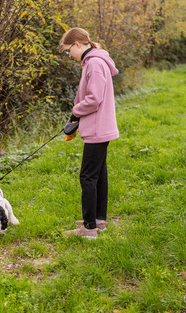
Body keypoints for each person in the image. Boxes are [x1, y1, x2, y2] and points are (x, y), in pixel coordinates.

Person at [60, 27, 119, 239]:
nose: (69, 55)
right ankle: (99, 220)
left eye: (68, 50)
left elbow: (94, 99)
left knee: (87, 177)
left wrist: (75, 111)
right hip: (100, 127)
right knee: (99, 175)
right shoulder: (94, 61)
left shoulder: (93, 63)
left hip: (96, 127)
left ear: (77, 44)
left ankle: (89, 227)